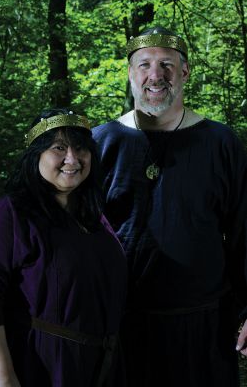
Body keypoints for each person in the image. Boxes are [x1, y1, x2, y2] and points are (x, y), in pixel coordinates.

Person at [92, 26, 247, 386]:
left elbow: (243, 231)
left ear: (185, 72)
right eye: (144, 64)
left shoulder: (220, 142)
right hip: (121, 326)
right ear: (130, 74)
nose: (155, 75)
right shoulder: (100, 143)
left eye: (166, 64)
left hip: (204, 324)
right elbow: (77, 237)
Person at [0, 108, 127, 387]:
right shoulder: (7, 215)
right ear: (36, 154)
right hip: (40, 365)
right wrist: (3, 375)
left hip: (101, 366)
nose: (72, 158)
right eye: (58, 147)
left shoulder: (94, 218)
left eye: (81, 148)